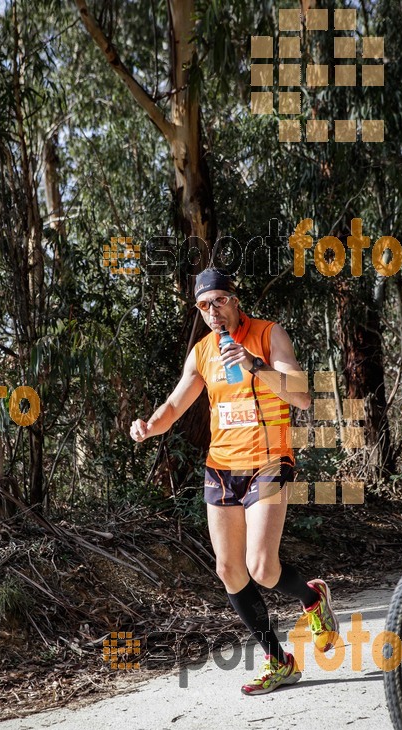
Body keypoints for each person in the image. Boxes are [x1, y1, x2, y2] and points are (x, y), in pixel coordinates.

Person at [130, 268, 339, 695]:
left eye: (219, 300)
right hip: (221, 469)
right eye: (204, 306)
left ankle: (312, 598)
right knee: (229, 570)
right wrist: (149, 426)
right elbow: (175, 403)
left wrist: (255, 365)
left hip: (268, 462)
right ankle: (278, 662)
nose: (213, 311)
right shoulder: (203, 352)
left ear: (235, 299)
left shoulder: (268, 334)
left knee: (262, 568)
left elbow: (300, 394)